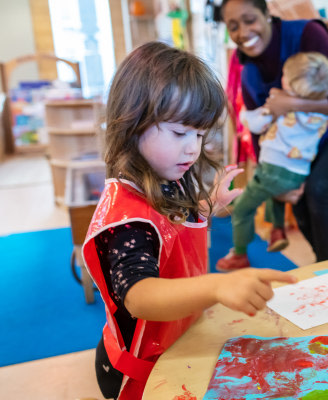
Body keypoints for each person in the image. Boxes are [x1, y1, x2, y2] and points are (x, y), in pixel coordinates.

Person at [82, 42, 297, 400]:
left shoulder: (164, 173)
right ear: (131, 124)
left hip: (179, 341)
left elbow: (169, 224)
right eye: (180, 133)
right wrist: (215, 287)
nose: (193, 148)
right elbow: (140, 295)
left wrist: (207, 206)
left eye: (199, 134)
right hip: (140, 367)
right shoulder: (125, 219)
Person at [220, 0, 328, 263]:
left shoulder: (307, 33)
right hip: (306, 133)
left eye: (250, 20)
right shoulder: (249, 70)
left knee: (317, 188)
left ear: (267, 15)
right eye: (233, 26)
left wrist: (290, 103)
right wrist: (272, 180)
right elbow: (261, 132)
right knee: (297, 194)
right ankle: (320, 262)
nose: (243, 32)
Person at [216, 52, 328, 270]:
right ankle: (277, 230)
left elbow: (255, 124)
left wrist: (246, 112)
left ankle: (239, 254)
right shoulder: (323, 111)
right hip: (298, 173)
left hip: (271, 169)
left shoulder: (283, 105)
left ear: (290, 84)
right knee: (273, 194)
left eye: (284, 74)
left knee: (242, 209)